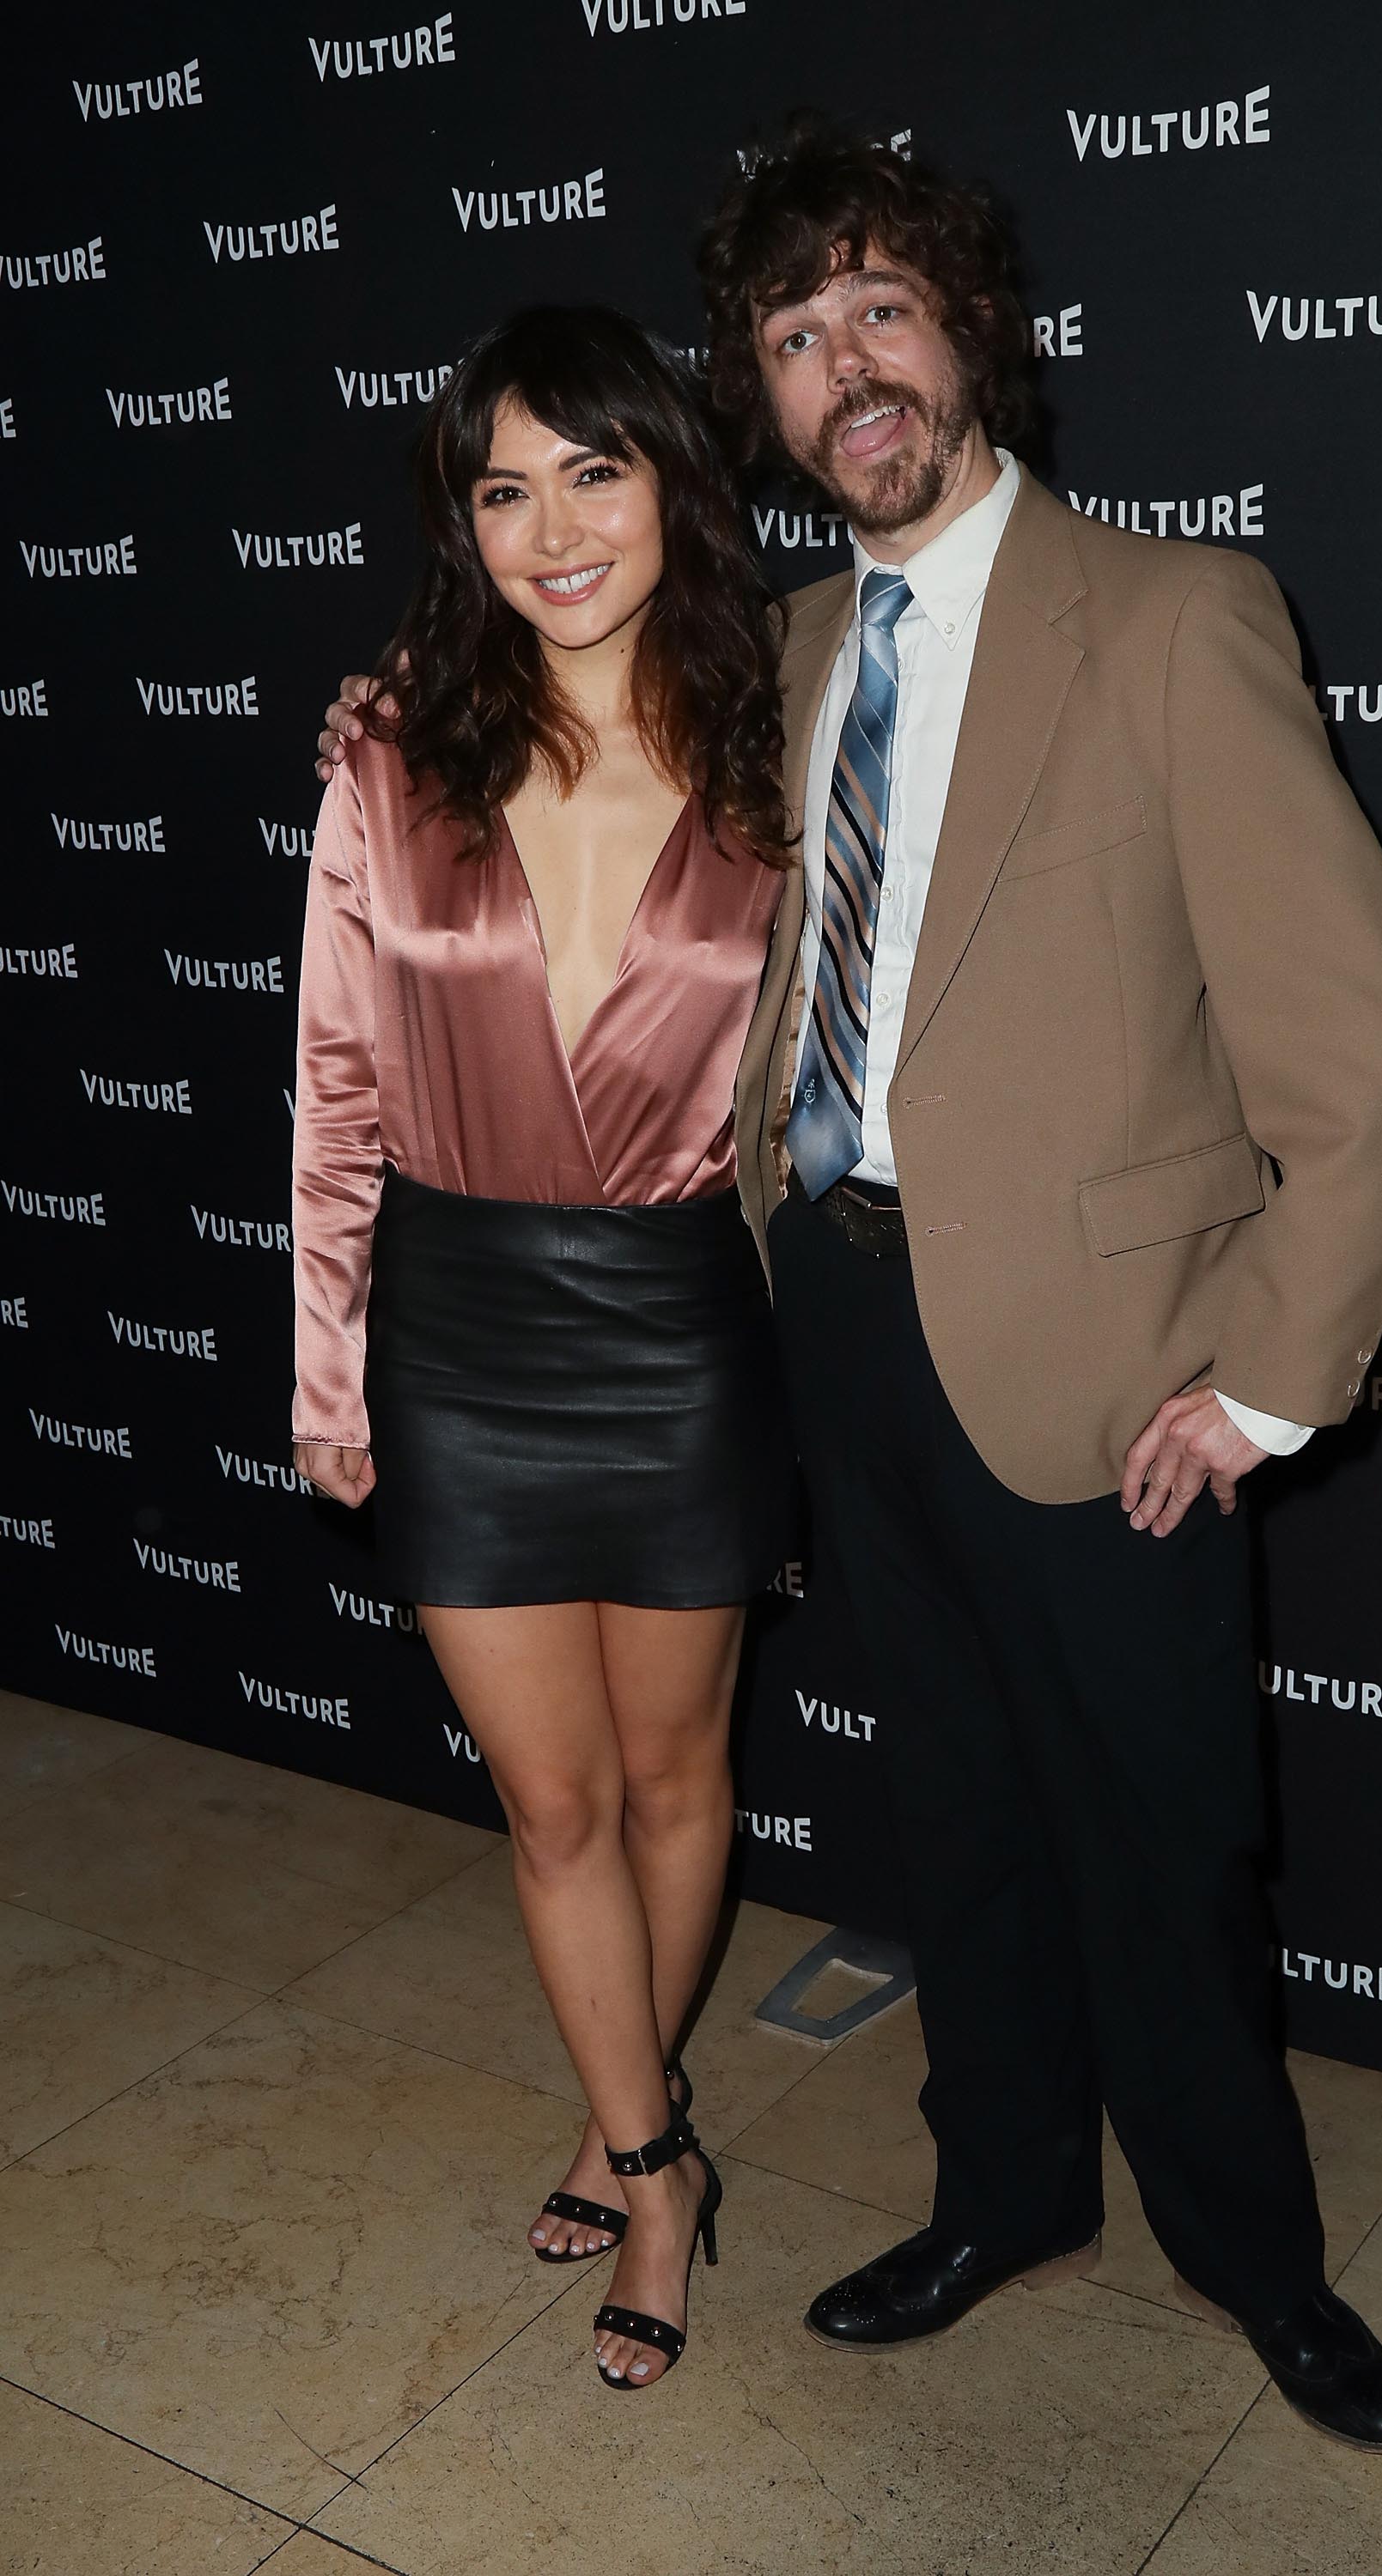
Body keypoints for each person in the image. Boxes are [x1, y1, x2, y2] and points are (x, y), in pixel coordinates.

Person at [319, 131, 1382, 2458]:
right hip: (823, 1329)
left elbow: (1371, 1031)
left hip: (1107, 1357)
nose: (847, 368)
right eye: (794, 336)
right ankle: (1001, 2192)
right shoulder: (781, 660)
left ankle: (1257, 2260)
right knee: (959, 1822)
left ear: (968, 332)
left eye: (880, 313)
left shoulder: (1166, 614)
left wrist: (1259, 1388)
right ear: (757, 396)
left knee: (1160, 1836)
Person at [293, 305, 796, 2392]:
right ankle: (664, 2165)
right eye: (504, 488)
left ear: (674, 475)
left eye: (593, 469)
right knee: (552, 1798)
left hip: (683, 1316)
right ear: (463, 526)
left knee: (680, 1777)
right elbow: (335, 1080)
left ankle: (615, 2113)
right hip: (463, 1324)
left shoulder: (792, 738)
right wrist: (330, 1372)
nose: (555, 526)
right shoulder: (393, 751)